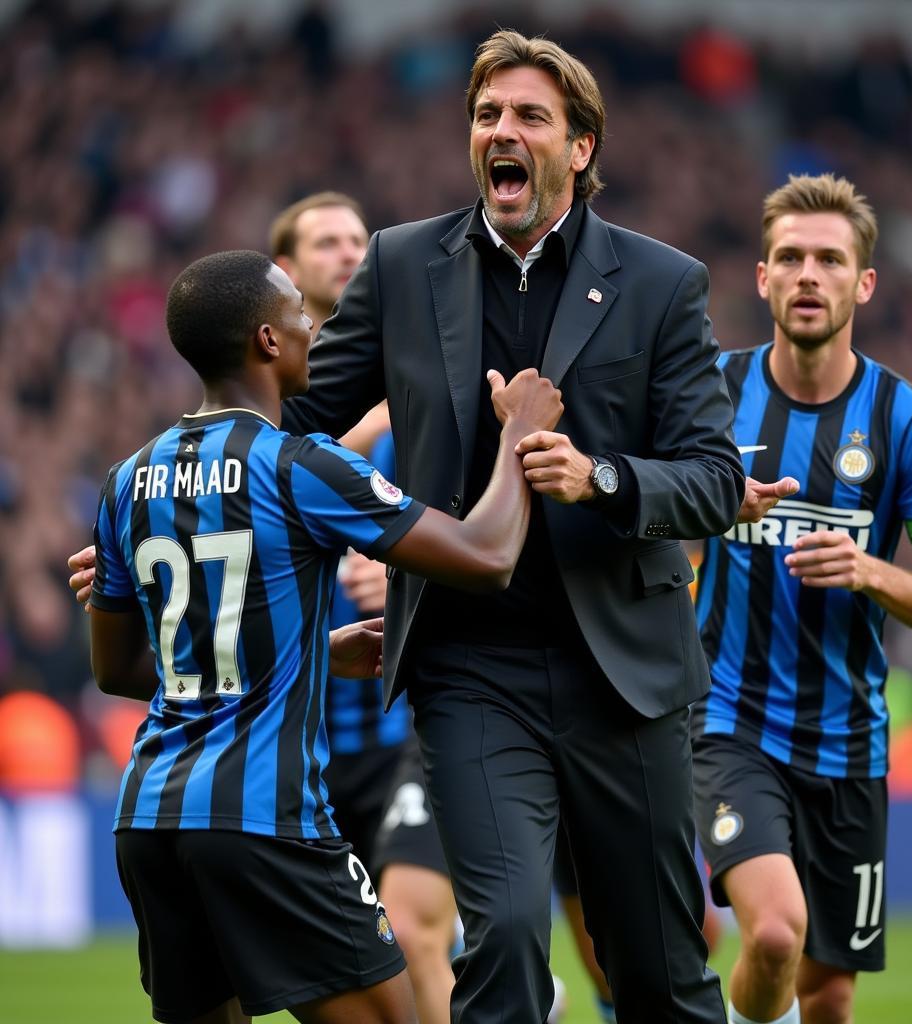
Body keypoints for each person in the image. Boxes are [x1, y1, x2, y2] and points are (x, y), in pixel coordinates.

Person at [281, 28, 743, 1023]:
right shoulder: (402, 267)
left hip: (627, 674)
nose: (503, 130)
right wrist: (178, 482)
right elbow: (298, 424)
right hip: (468, 667)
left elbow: (711, 480)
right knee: (502, 944)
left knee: (661, 969)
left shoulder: (663, 283)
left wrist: (597, 477)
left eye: (530, 115)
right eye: (488, 115)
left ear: (579, 148)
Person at [85, 248, 562, 1024]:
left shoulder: (126, 478)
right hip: (259, 817)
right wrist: (521, 436)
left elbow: (119, 668)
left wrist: (306, 658)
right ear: (268, 342)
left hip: (149, 822)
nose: (314, 327)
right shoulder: (299, 466)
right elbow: (487, 556)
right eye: (301, 313)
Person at [691, 173, 912, 1024]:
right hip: (729, 723)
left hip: (852, 749)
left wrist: (870, 572)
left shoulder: (906, 421)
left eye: (828, 259)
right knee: (776, 935)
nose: (807, 274)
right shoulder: (709, 396)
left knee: (828, 993)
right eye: (790, 257)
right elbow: (646, 524)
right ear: (762, 278)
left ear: (864, 284)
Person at [270, 191, 405, 867]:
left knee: (414, 923)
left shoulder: (414, 377)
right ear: (284, 270)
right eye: (327, 243)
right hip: (298, 723)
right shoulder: (259, 401)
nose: (351, 254)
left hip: (401, 716)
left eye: (359, 240)